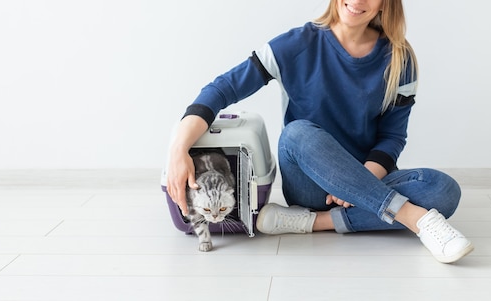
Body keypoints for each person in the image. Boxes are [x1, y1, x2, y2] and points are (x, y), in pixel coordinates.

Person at [166, 0, 474, 263]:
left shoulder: (399, 59)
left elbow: (393, 136)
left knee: (444, 190)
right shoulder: (296, 44)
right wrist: (179, 148)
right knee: (296, 133)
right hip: (310, 186)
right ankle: (412, 217)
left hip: (367, 181)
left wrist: (362, 178)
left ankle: (313, 223)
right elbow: (223, 89)